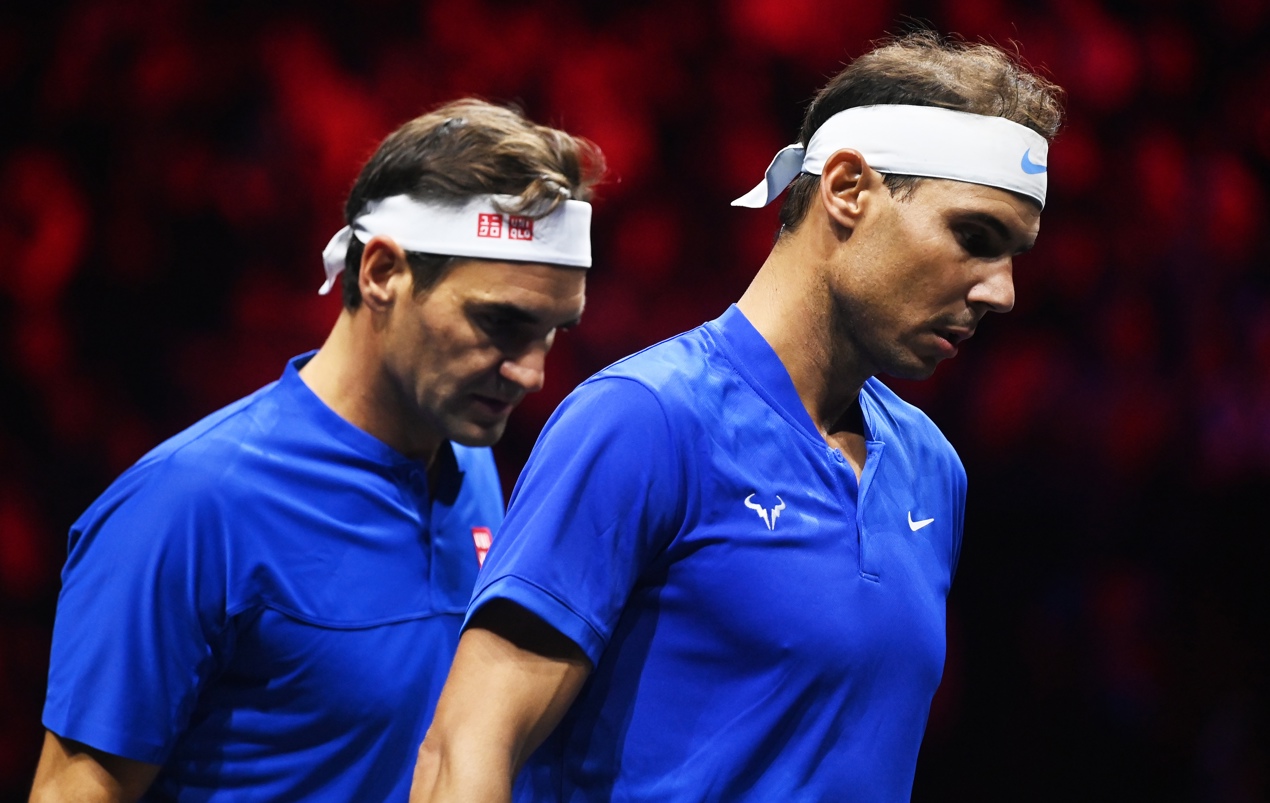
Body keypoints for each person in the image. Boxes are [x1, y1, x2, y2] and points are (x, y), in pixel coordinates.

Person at [411, 32, 1064, 803]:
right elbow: (464, 751)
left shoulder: (933, 469)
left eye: (1014, 254)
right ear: (849, 188)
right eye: (974, 237)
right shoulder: (644, 421)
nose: (1001, 292)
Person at [30, 98, 604, 803]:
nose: (531, 371)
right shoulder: (185, 506)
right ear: (382, 273)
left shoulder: (472, 467)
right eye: (500, 322)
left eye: (553, 329)